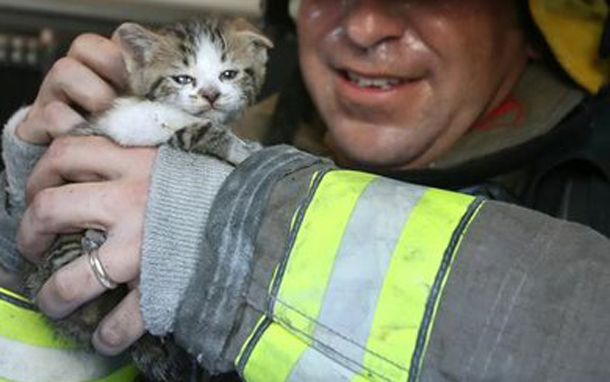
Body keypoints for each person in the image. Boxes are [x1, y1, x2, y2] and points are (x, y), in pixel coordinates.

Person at [2, 0, 610, 381]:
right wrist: (34, 211)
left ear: (533, 23)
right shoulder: (243, 125)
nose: (366, 24)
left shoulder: (590, 186)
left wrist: (232, 230)